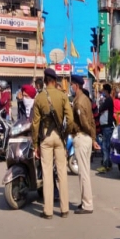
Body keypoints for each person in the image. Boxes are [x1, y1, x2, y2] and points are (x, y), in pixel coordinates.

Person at [31, 68, 74, 219]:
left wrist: (35, 144)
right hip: (59, 137)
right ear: (55, 81)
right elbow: (70, 119)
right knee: (62, 172)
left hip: (45, 138)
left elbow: (35, 124)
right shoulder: (62, 96)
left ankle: (48, 211)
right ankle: (64, 209)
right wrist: (66, 133)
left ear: (44, 80)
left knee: (47, 173)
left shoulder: (39, 98)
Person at [70, 75, 99, 215]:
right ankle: (86, 201)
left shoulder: (79, 102)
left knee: (83, 173)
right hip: (87, 138)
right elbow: (92, 121)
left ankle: (87, 204)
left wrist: (89, 133)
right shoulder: (85, 99)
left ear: (76, 85)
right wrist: (93, 138)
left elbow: (85, 123)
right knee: (85, 172)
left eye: (72, 85)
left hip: (81, 136)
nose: (71, 87)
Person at [97, 84, 114, 173]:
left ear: (106, 91)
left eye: (103, 90)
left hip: (107, 126)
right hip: (106, 125)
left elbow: (101, 108)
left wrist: (101, 104)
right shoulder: (107, 100)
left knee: (105, 146)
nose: (102, 91)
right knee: (107, 146)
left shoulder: (108, 100)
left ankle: (105, 164)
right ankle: (108, 164)